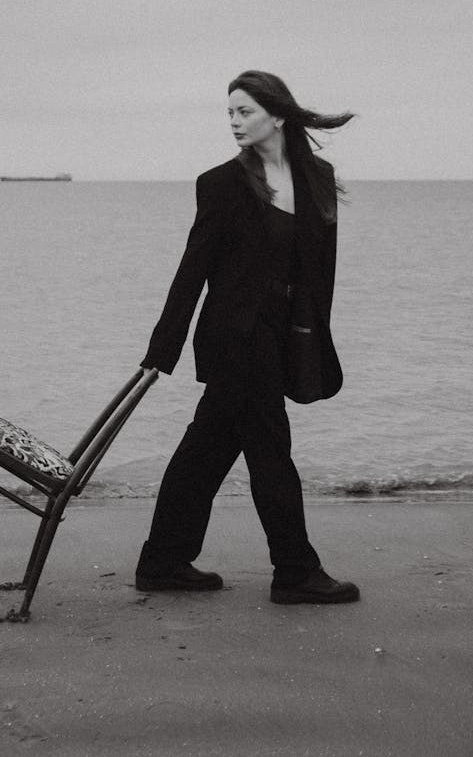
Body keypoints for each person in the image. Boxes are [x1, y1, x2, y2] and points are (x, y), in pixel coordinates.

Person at [135, 70, 360, 604]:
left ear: (277, 115)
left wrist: (312, 339)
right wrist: (161, 350)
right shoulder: (222, 184)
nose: (234, 123)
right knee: (270, 449)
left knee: (207, 448)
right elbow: (193, 268)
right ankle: (295, 571)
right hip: (234, 337)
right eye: (230, 113)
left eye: (245, 112)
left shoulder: (316, 178)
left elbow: (319, 271)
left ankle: (163, 561)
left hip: (282, 335)